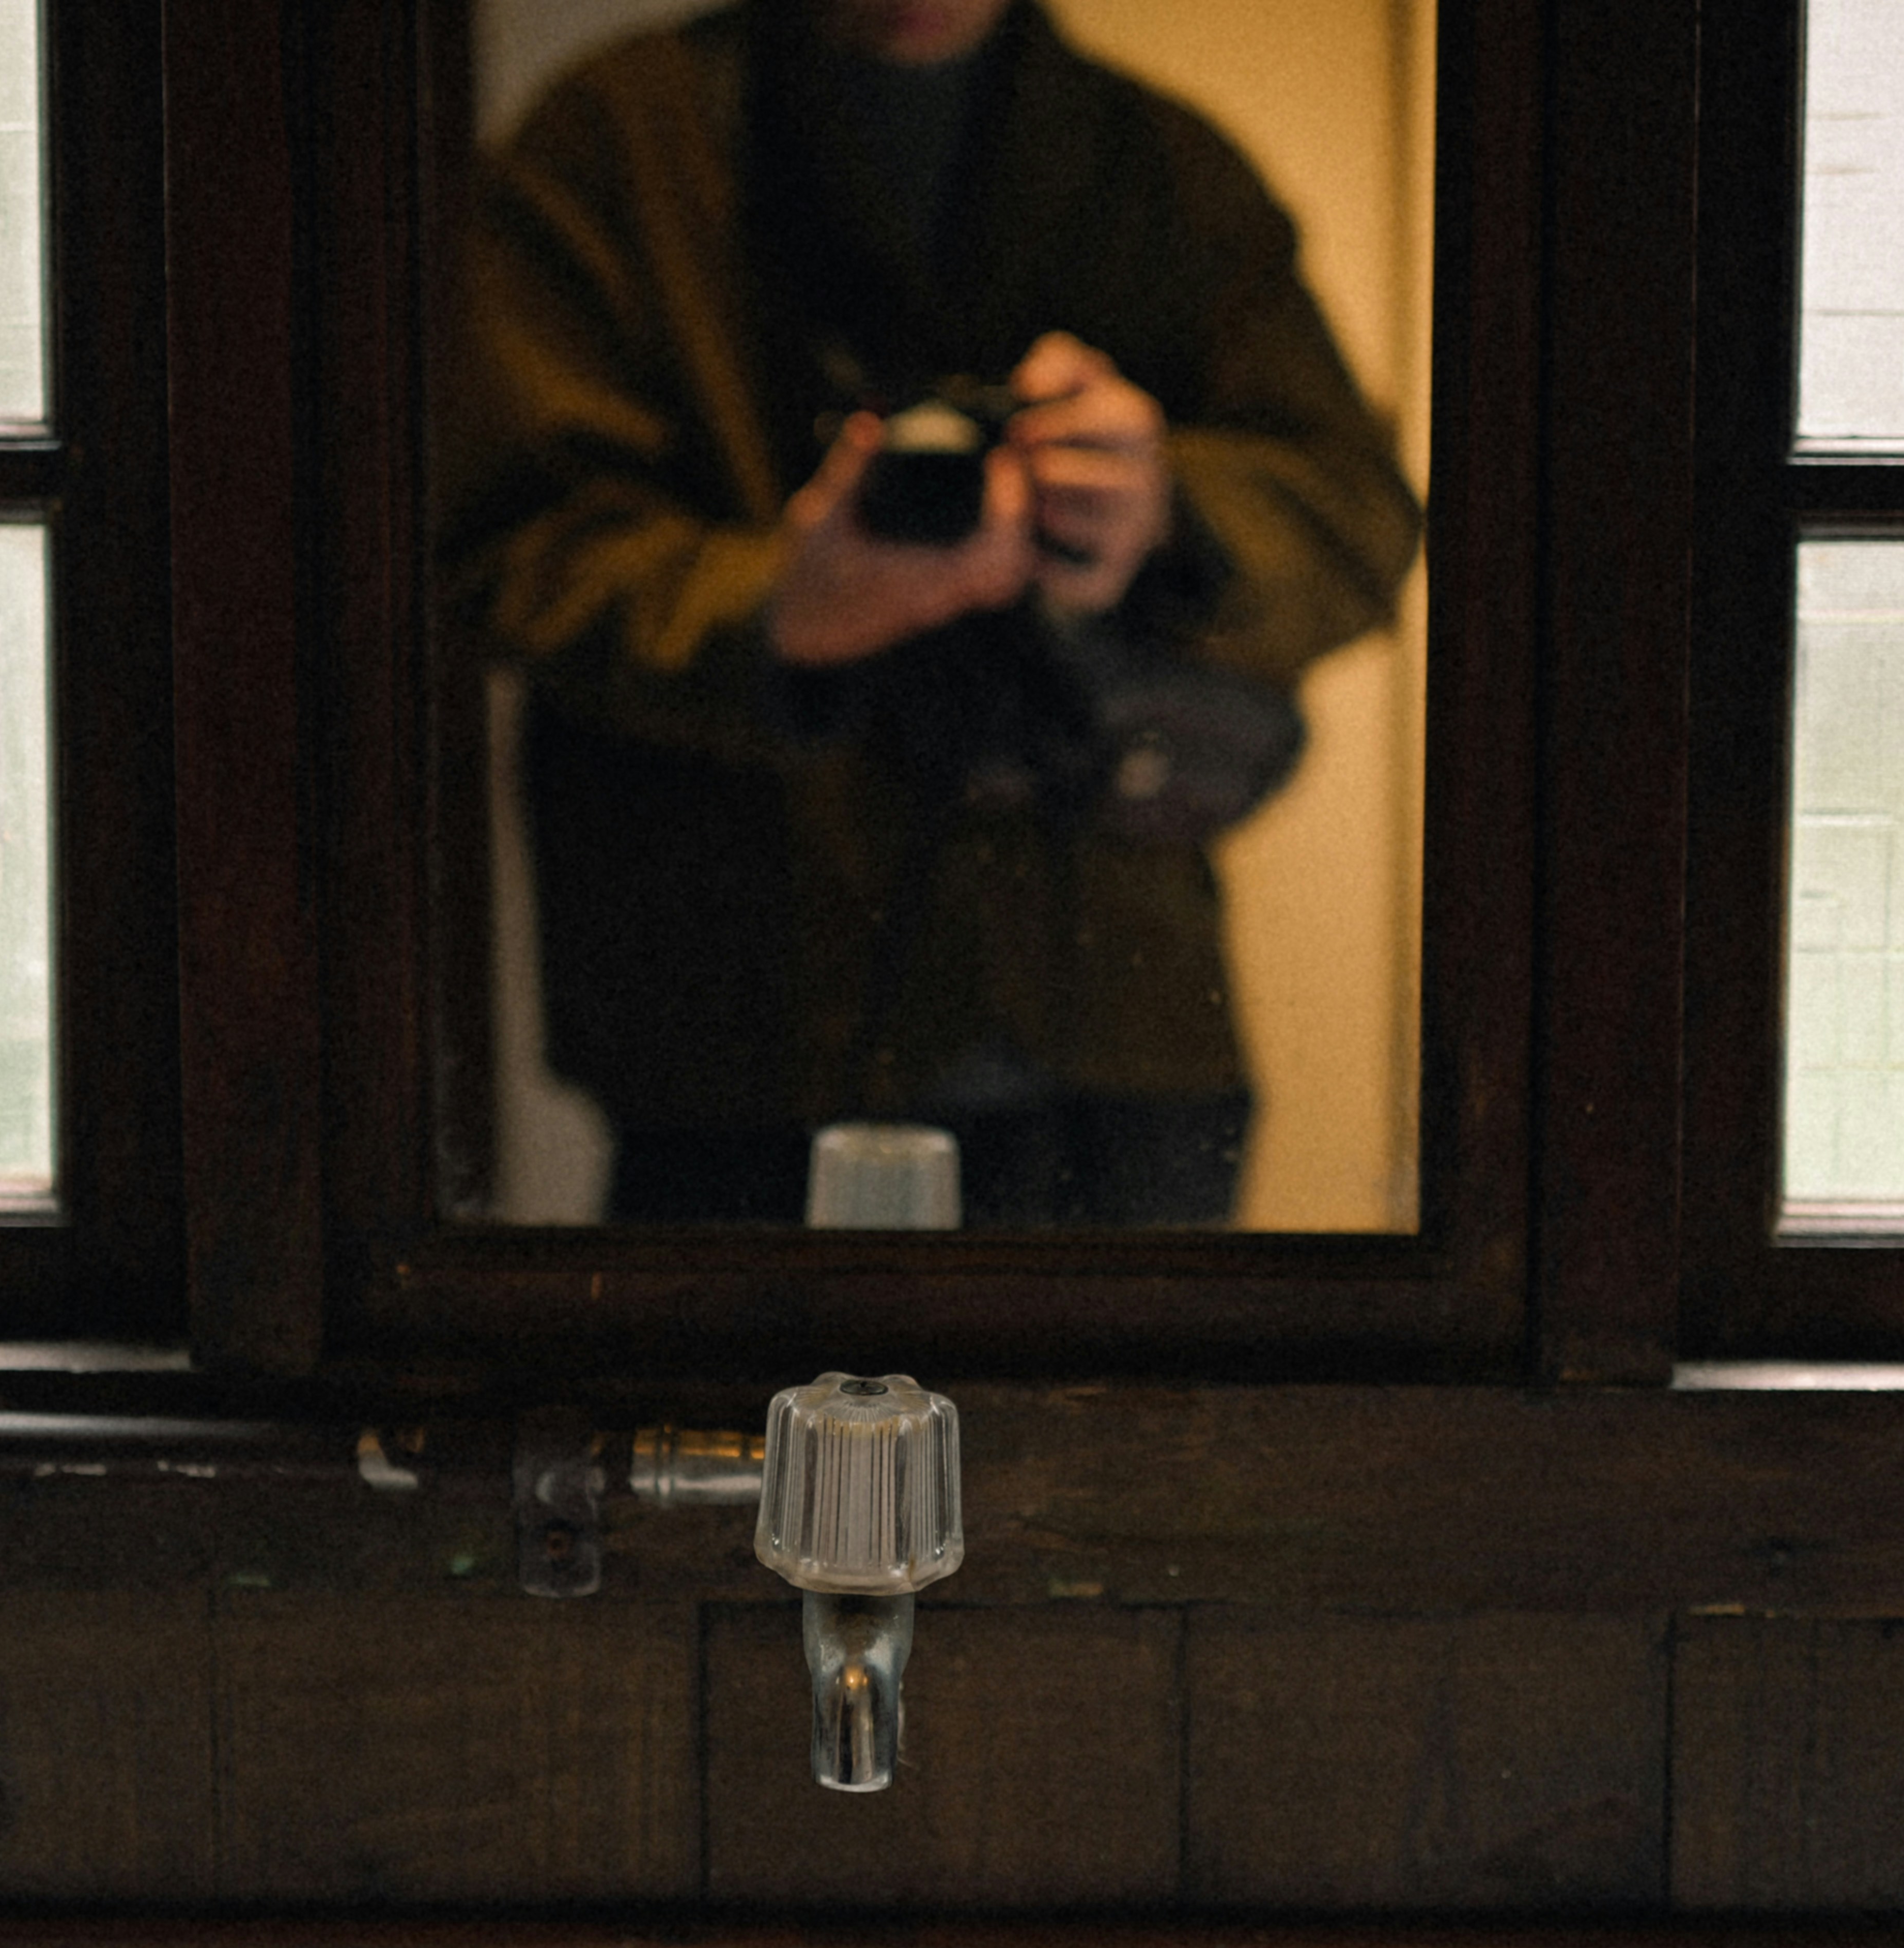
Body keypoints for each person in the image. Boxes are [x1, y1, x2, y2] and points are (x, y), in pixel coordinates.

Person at [446, 0, 1422, 1226]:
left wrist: (1164, 508)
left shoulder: (1159, 165)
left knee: (1132, 1419)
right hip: (747, 1025)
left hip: (1107, 1015)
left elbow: (1358, 516)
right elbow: (496, 539)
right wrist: (780, 608)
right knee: (736, 1421)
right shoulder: (617, 143)